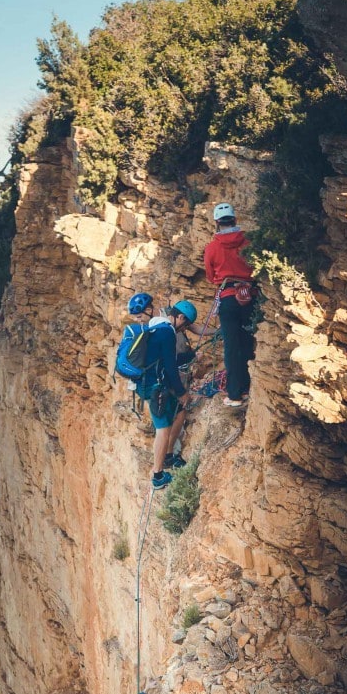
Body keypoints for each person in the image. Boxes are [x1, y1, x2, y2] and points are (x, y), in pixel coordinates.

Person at [126, 293, 202, 490]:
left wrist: (191, 356)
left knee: (179, 413)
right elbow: (169, 367)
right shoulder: (167, 332)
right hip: (154, 387)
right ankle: (158, 476)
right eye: (185, 325)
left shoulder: (156, 328)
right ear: (181, 318)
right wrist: (182, 392)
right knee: (163, 429)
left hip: (148, 383)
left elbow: (170, 359)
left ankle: (168, 457)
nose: (184, 329)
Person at [203, 202, 257, 407]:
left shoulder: (212, 247)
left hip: (228, 297)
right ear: (234, 220)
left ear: (217, 223)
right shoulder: (248, 242)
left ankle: (235, 394)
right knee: (247, 342)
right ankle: (249, 386)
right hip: (250, 296)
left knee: (232, 346)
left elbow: (210, 276)